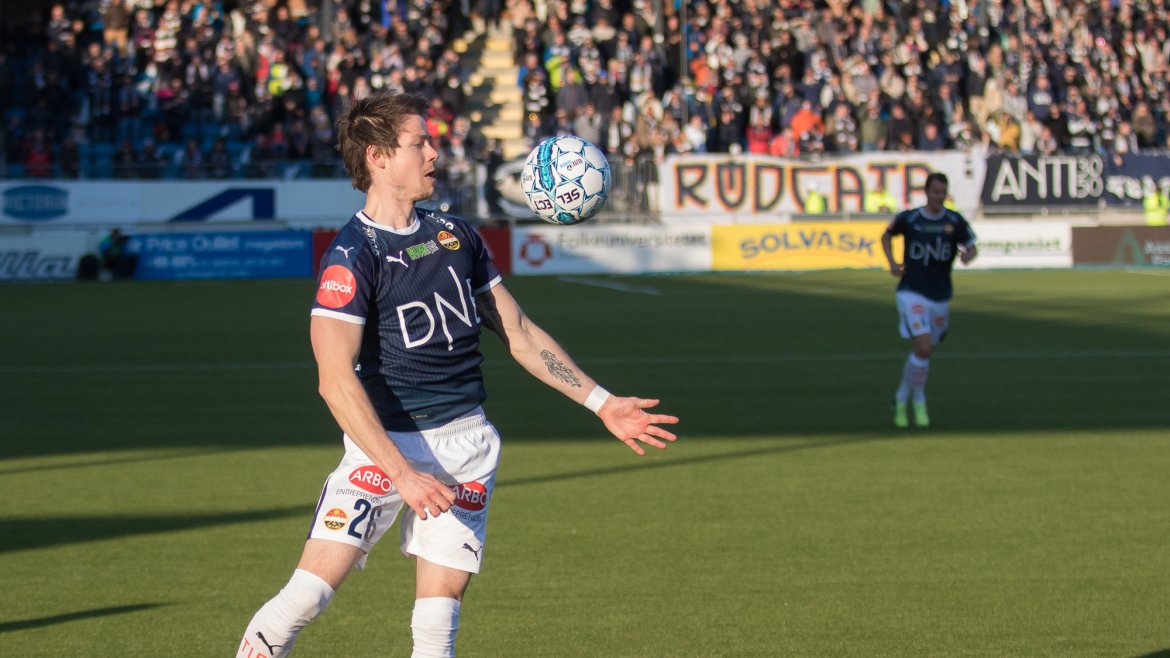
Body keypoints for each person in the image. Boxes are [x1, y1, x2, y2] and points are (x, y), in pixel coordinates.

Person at [235, 92, 679, 658]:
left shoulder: (456, 236)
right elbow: (334, 380)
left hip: (466, 448)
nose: (434, 154)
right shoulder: (352, 256)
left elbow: (519, 332)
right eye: (419, 143)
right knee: (306, 598)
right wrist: (402, 474)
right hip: (383, 448)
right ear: (378, 157)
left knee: (437, 625)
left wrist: (602, 402)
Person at [880, 172, 978, 428]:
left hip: (940, 295)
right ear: (926, 192)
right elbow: (886, 236)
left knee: (923, 353)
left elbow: (972, 246)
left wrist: (968, 256)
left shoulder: (954, 221)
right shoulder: (910, 218)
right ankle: (919, 401)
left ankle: (901, 397)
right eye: (935, 192)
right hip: (911, 291)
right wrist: (892, 264)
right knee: (923, 347)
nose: (939, 197)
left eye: (943, 193)